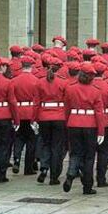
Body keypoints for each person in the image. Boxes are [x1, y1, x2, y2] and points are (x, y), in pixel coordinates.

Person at [63, 63, 105, 195]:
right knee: (89, 157)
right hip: (90, 125)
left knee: (75, 153)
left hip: (74, 122)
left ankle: (71, 173)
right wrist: (101, 131)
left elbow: (66, 108)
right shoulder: (96, 91)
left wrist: (68, 121)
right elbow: (99, 113)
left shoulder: (70, 89)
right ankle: (87, 186)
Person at [34, 57, 67, 185]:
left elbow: (36, 102)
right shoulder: (63, 83)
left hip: (43, 116)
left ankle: (44, 168)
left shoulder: (40, 82)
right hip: (59, 116)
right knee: (57, 147)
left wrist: (34, 119)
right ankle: (54, 176)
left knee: (46, 144)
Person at [11, 56, 39, 175]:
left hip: (18, 111)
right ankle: (28, 167)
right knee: (31, 140)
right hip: (31, 111)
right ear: (31, 66)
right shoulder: (36, 81)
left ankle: (16, 160)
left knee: (18, 138)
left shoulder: (14, 80)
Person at [92, 62, 108, 187]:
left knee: (89, 151)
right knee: (104, 152)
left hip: (90, 121)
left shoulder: (89, 85)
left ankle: (87, 177)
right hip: (105, 121)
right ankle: (101, 178)